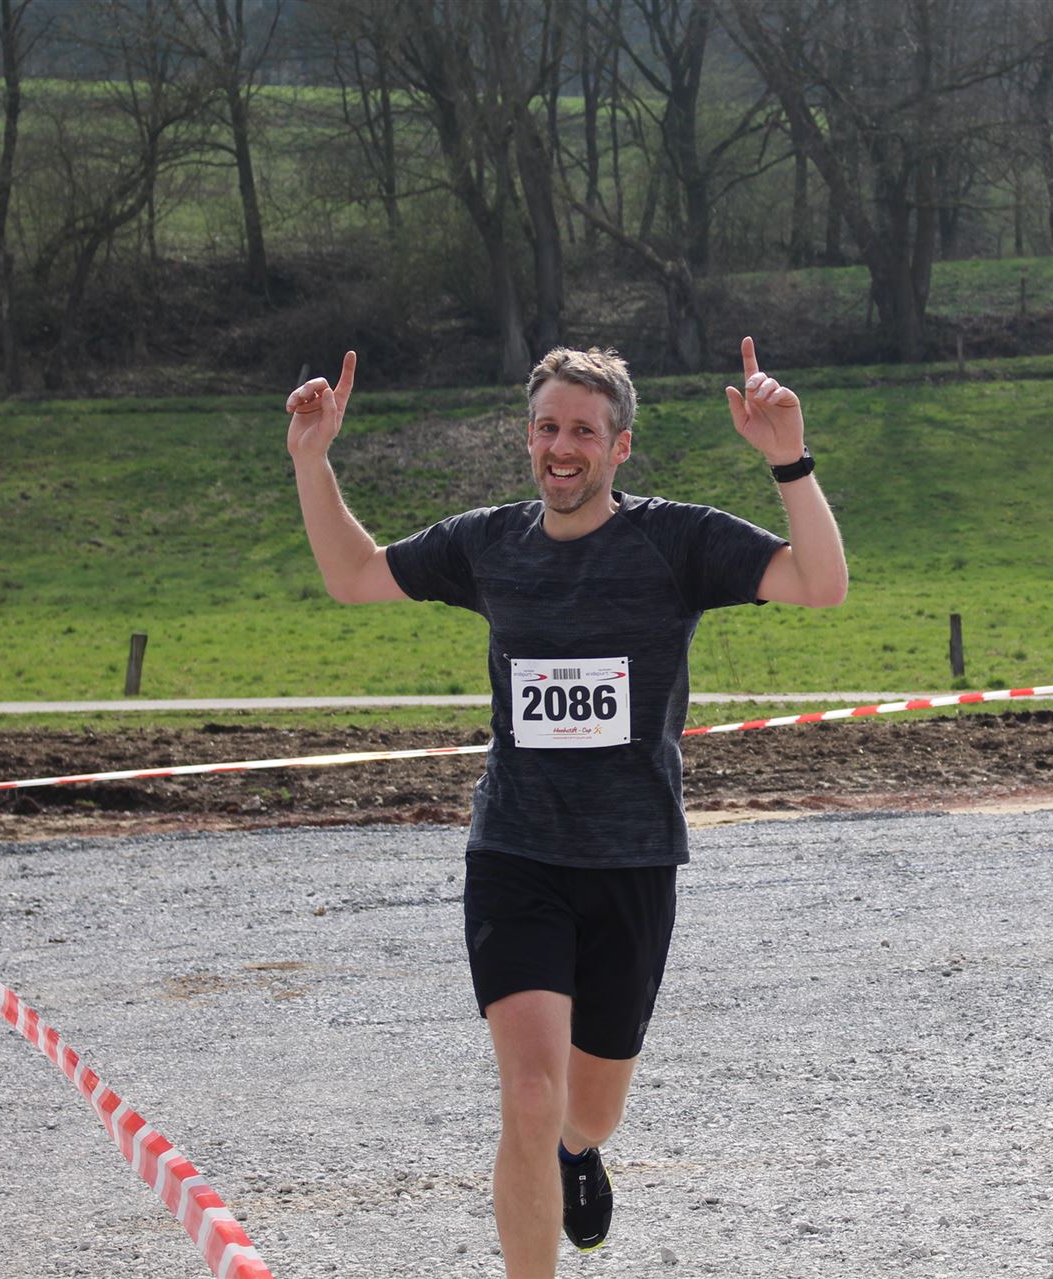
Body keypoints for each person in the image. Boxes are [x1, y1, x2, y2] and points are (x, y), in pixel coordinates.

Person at [284, 339, 847, 1278]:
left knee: (587, 1111)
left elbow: (821, 584)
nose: (562, 446)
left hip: (631, 860)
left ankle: (579, 1153)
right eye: (547, 427)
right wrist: (312, 459)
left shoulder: (676, 543)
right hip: (517, 852)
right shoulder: (488, 544)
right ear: (529, 439)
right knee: (531, 1094)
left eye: (584, 430)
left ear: (618, 447)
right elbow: (355, 574)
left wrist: (789, 460)